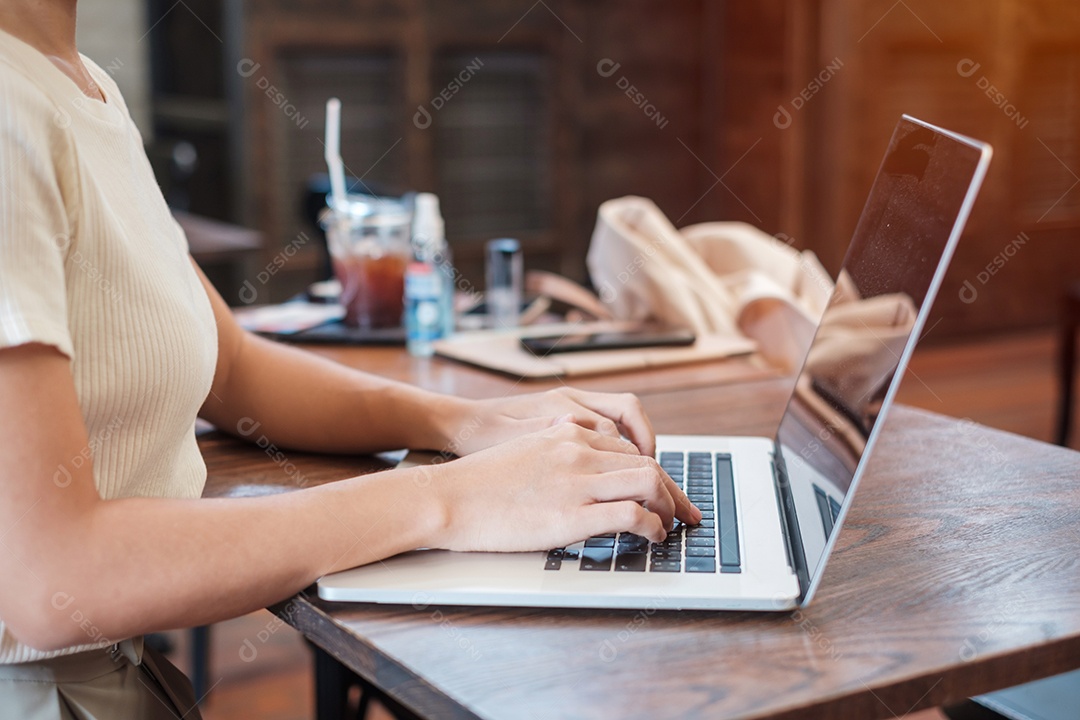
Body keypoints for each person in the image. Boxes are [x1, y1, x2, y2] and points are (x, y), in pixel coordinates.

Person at [0, 1, 699, 716]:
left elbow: (231, 367)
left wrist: (468, 424)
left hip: (119, 670)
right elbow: (51, 575)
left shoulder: (81, 83)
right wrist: (452, 498)